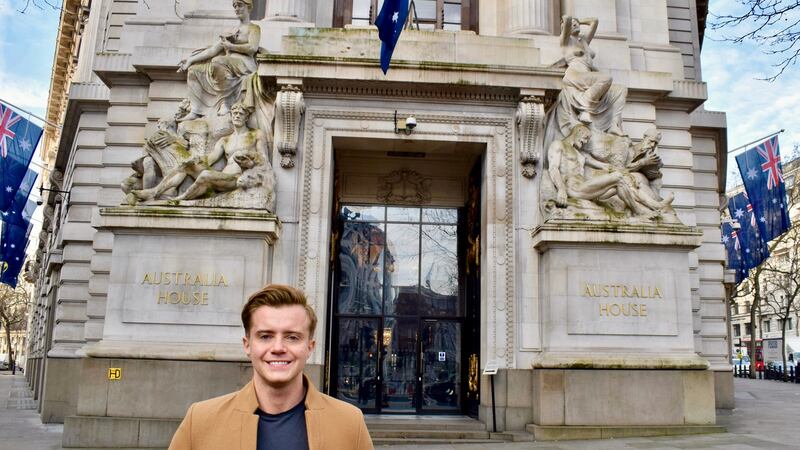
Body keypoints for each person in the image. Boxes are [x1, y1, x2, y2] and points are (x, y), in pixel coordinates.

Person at [169, 284, 373, 450]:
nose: (278, 348)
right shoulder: (201, 421)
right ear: (247, 344)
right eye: (265, 336)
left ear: (309, 347)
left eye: (292, 337)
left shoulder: (349, 423)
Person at [178, 0, 261, 120]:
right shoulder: (230, 30)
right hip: (225, 63)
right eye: (235, 6)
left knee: (218, 61)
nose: (237, 9)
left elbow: (252, 48)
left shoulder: (254, 28)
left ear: (248, 7)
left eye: (240, 5)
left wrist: (232, 47)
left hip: (244, 65)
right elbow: (212, 50)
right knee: (194, 70)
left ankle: (225, 103)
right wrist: (190, 60)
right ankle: (195, 110)